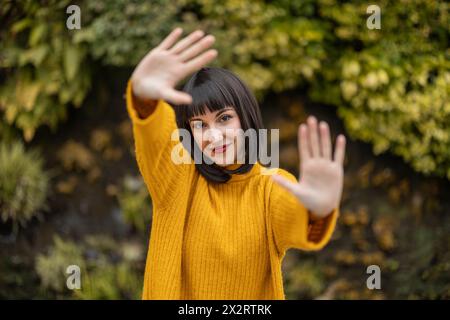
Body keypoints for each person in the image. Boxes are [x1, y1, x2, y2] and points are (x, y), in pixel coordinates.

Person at [126, 27, 346, 299]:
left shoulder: (271, 187)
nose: (214, 136)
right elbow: (155, 138)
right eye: (200, 125)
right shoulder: (176, 177)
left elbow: (299, 222)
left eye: (224, 118)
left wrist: (318, 211)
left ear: (245, 116)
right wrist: (144, 97)